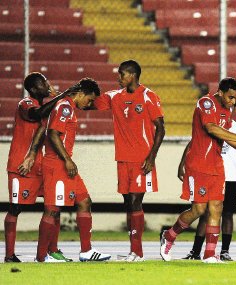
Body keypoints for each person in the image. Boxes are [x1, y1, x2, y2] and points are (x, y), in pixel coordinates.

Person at [160, 77, 236, 264]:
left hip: (216, 165)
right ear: (220, 92)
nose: (233, 102)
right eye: (230, 97)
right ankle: (169, 235)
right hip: (199, 164)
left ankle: (210, 255)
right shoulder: (206, 103)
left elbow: (227, 138)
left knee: (216, 208)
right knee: (199, 209)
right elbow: (211, 128)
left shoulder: (226, 110)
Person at [94, 60, 165, 262]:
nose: (119, 77)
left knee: (135, 202)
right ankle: (133, 250)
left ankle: (138, 252)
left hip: (142, 160)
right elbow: (90, 104)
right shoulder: (115, 96)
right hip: (123, 160)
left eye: (122, 74)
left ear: (132, 75)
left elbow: (161, 128)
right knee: (128, 204)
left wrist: (152, 157)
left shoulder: (148, 96)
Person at [35, 77, 111, 262]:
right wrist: (68, 160)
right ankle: (41, 256)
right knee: (52, 210)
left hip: (64, 164)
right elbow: (52, 133)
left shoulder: (67, 107)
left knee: (84, 201)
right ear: (81, 93)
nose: (90, 103)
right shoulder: (65, 107)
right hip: (56, 164)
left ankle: (86, 251)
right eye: (90, 99)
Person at [4, 72, 70, 262]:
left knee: (54, 207)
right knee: (16, 208)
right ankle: (9, 255)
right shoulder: (25, 103)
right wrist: (60, 96)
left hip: (43, 165)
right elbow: (37, 114)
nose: (47, 85)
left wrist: (60, 98)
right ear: (33, 89)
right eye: (43, 84)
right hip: (21, 164)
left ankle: (52, 251)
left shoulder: (49, 106)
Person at [181, 116, 236, 261]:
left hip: (232, 177)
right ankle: (195, 251)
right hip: (212, 173)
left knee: (228, 214)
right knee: (205, 213)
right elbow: (194, 143)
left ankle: (224, 251)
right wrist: (182, 164)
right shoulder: (210, 124)